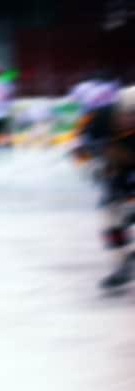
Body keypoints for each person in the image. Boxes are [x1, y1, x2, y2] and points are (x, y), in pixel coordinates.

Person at [76, 86, 135, 289]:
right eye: (128, 114)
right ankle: (121, 263)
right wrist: (90, 164)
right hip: (115, 170)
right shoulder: (100, 118)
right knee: (110, 217)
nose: (130, 120)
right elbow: (79, 146)